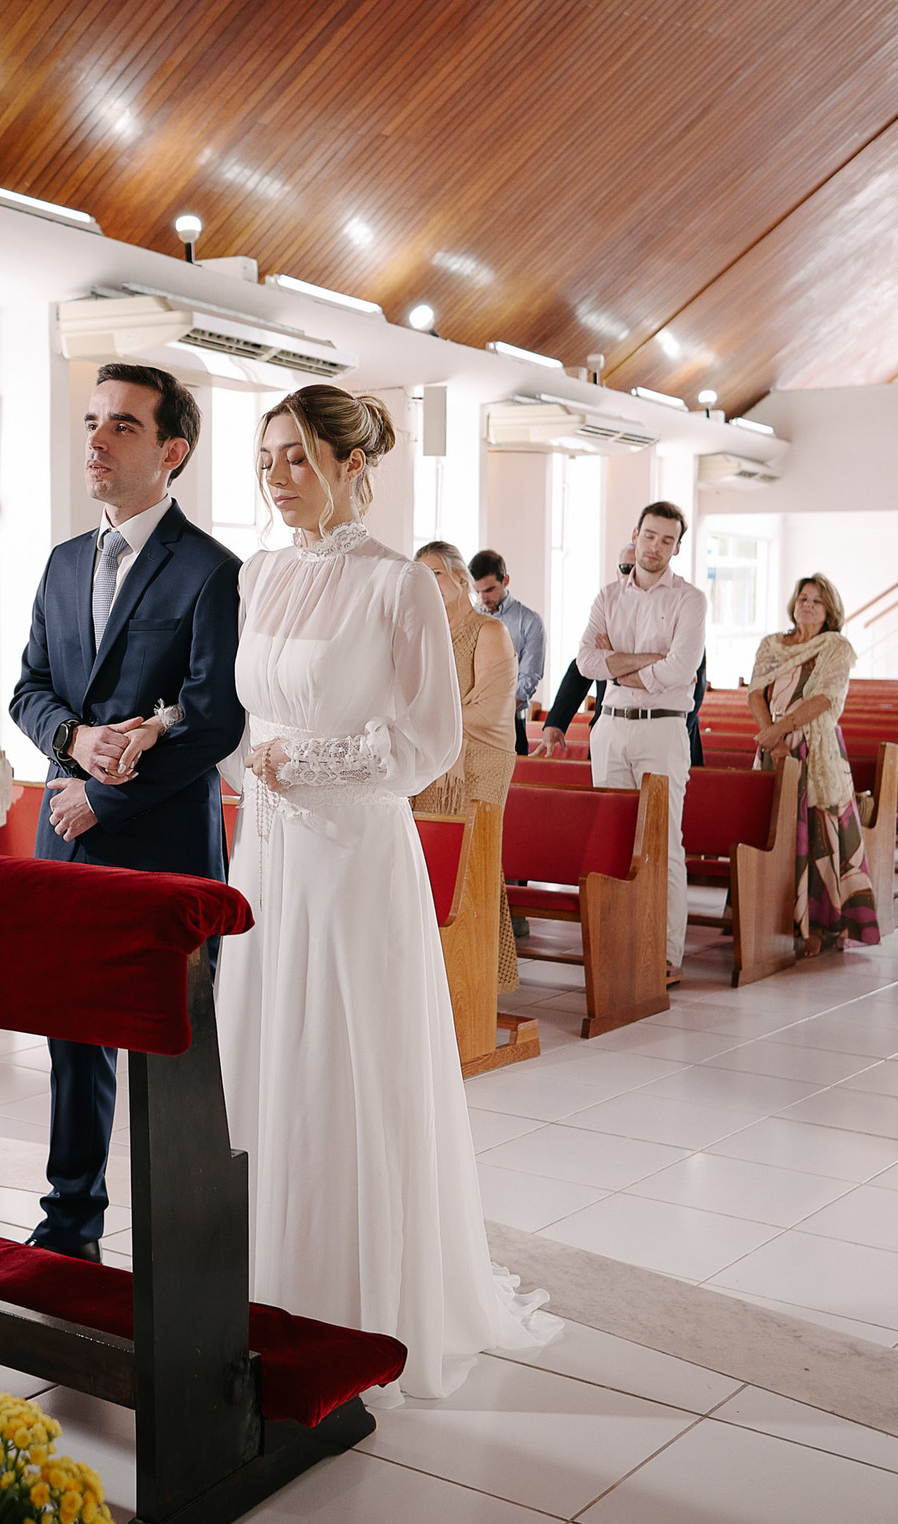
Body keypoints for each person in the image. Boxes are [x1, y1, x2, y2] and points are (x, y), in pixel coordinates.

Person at [212, 385, 559, 1406]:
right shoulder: (260, 574)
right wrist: (250, 764)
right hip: (267, 853)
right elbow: (240, 718)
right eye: (267, 456)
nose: (278, 476)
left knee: (339, 1059)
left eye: (297, 457)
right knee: (264, 1051)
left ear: (353, 466)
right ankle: (259, 1283)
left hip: (352, 854)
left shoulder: (399, 585)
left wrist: (299, 762)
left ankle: (358, 1294)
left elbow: (424, 744)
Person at [10, 362, 243, 1261]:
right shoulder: (64, 562)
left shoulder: (212, 572)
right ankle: (69, 1222)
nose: (97, 441)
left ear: (171, 450)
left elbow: (214, 718)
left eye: (123, 427)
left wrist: (107, 795)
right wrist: (74, 744)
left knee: (168, 1047)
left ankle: (184, 1232)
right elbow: (28, 687)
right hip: (65, 832)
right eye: (91, 422)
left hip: (161, 843)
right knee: (72, 1037)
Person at [577, 502, 706, 982]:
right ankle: (615, 945)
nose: (655, 548)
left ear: (676, 546)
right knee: (610, 840)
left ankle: (666, 955)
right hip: (609, 726)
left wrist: (622, 663)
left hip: (662, 728)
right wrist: (647, 661)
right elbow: (586, 661)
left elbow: (680, 670)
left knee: (663, 842)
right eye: (649, 536)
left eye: (667, 540)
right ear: (636, 534)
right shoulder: (608, 596)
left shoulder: (689, 600)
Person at [748, 574, 880, 956]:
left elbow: (825, 699)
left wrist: (782, 731)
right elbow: (755, 693)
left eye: (816, 601)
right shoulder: (772, 645)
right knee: (774, 832)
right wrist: (771, 738)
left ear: (829, 612)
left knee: (818, 835)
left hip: (814, 749)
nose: (807, 605)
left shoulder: (836, 647)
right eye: (802, 598)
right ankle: (769, 919)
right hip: (773, 747)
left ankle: (818, 927)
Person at [412, 539, 521, 991]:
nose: (426, 585)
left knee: (471, 860)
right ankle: (432, 977)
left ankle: (479, 982)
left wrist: (435, 729)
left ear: (459, 577)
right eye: (418, 577)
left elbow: (490, 709)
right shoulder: (419, 633)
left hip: (477, 758)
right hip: (430, 758)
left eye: (433, 575)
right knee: (431, 859)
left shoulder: (487, 631)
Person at [535, 542, 707, 766]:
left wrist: (612, 664)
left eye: (639, 568)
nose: (633, 574)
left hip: (666, 731)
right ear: (617, 571)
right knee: (609, 801)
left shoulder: (680, 611)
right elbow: (581, 667)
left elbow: (693, 679)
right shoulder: (608, 609)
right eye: (626, 568)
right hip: (610, 729)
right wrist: (555, 722)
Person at [468, 549, 546, 755]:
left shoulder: (530, 622)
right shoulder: (469, 619)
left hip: (510, 727)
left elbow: (528, 679)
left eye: (490, 589)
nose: (483, 598)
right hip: (470, 730)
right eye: (478, 591)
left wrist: (493, 715)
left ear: (506, 580)